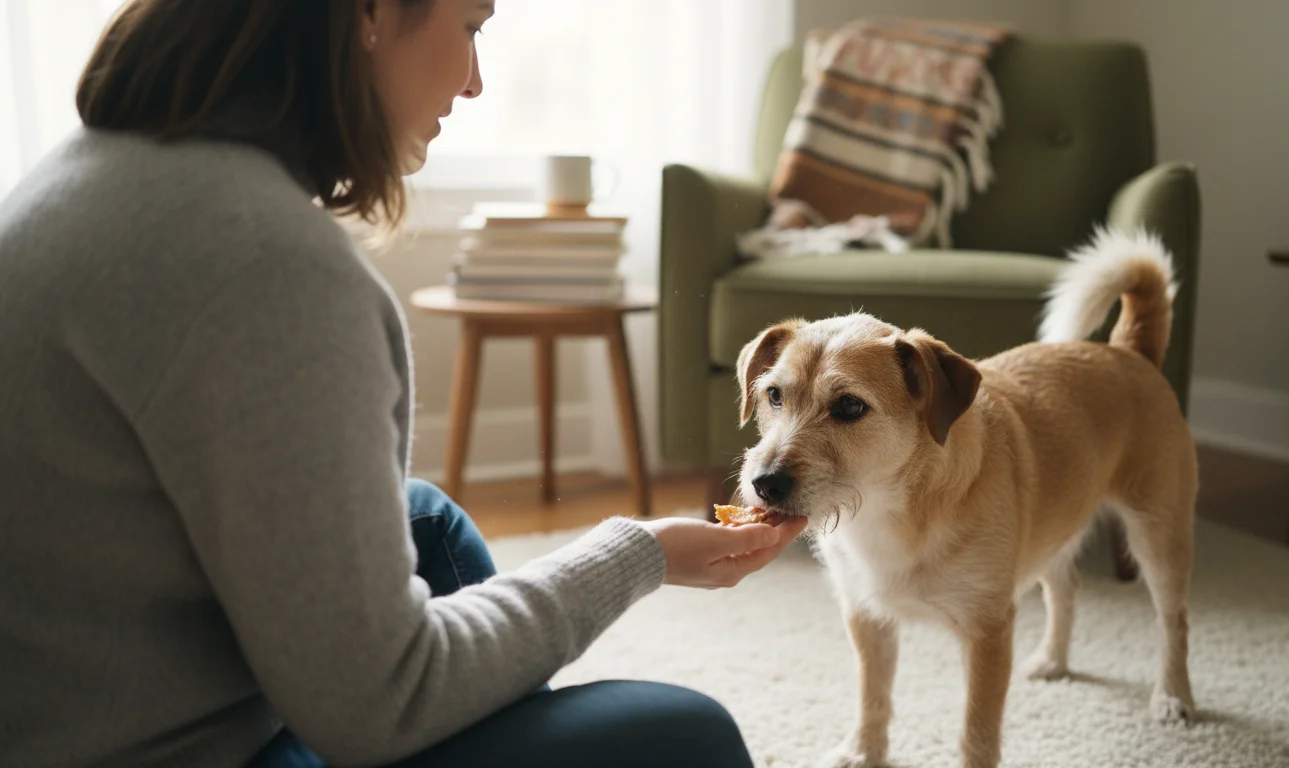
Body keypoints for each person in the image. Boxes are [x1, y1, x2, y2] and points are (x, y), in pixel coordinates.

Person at [0, 1, 808, 766]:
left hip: (76, 699)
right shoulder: (265, 267)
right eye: (468, 25)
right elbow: (378, 702)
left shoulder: (89, 172)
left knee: (428, 524)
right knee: (682, 738)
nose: (473, 80)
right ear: (368, 13)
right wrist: (639, 553)